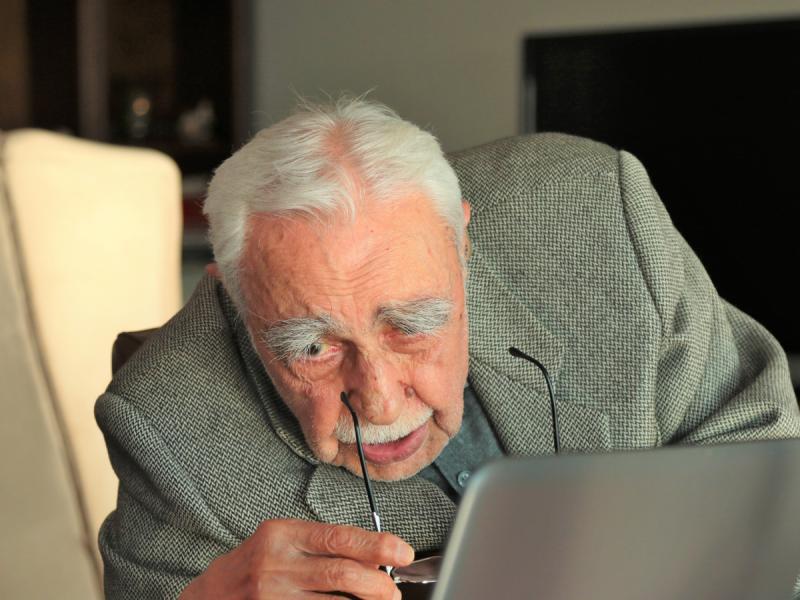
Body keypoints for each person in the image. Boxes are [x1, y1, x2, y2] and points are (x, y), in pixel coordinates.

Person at [96, 97, 800, 599]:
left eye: (410, 324)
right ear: (236, 298)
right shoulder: (167, 429)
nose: (378, 401)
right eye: (312, 347)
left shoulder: (596, 216)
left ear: (463, 240)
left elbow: (759, 447)